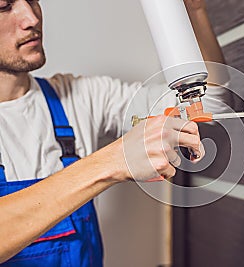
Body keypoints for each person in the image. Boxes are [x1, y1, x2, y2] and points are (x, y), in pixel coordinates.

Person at [0, 0, 229, 265]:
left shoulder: (77, 98)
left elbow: (209, 101)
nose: (31, 18)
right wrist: (113, 161)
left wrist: (192, 11)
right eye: (4, 6)